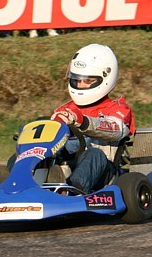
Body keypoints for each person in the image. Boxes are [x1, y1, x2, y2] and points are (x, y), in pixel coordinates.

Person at [49, 43, 135, 193]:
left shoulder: (118, 109)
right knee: (37, 154)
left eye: (88, 80)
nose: (81, 85)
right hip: (67, 164)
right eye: (77, 80)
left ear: (105, 77)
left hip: (102, 173)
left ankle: (72, 191)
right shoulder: (64, 110)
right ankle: (11, 186)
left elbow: (115, 129)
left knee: (94, 154)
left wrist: (83, 121)